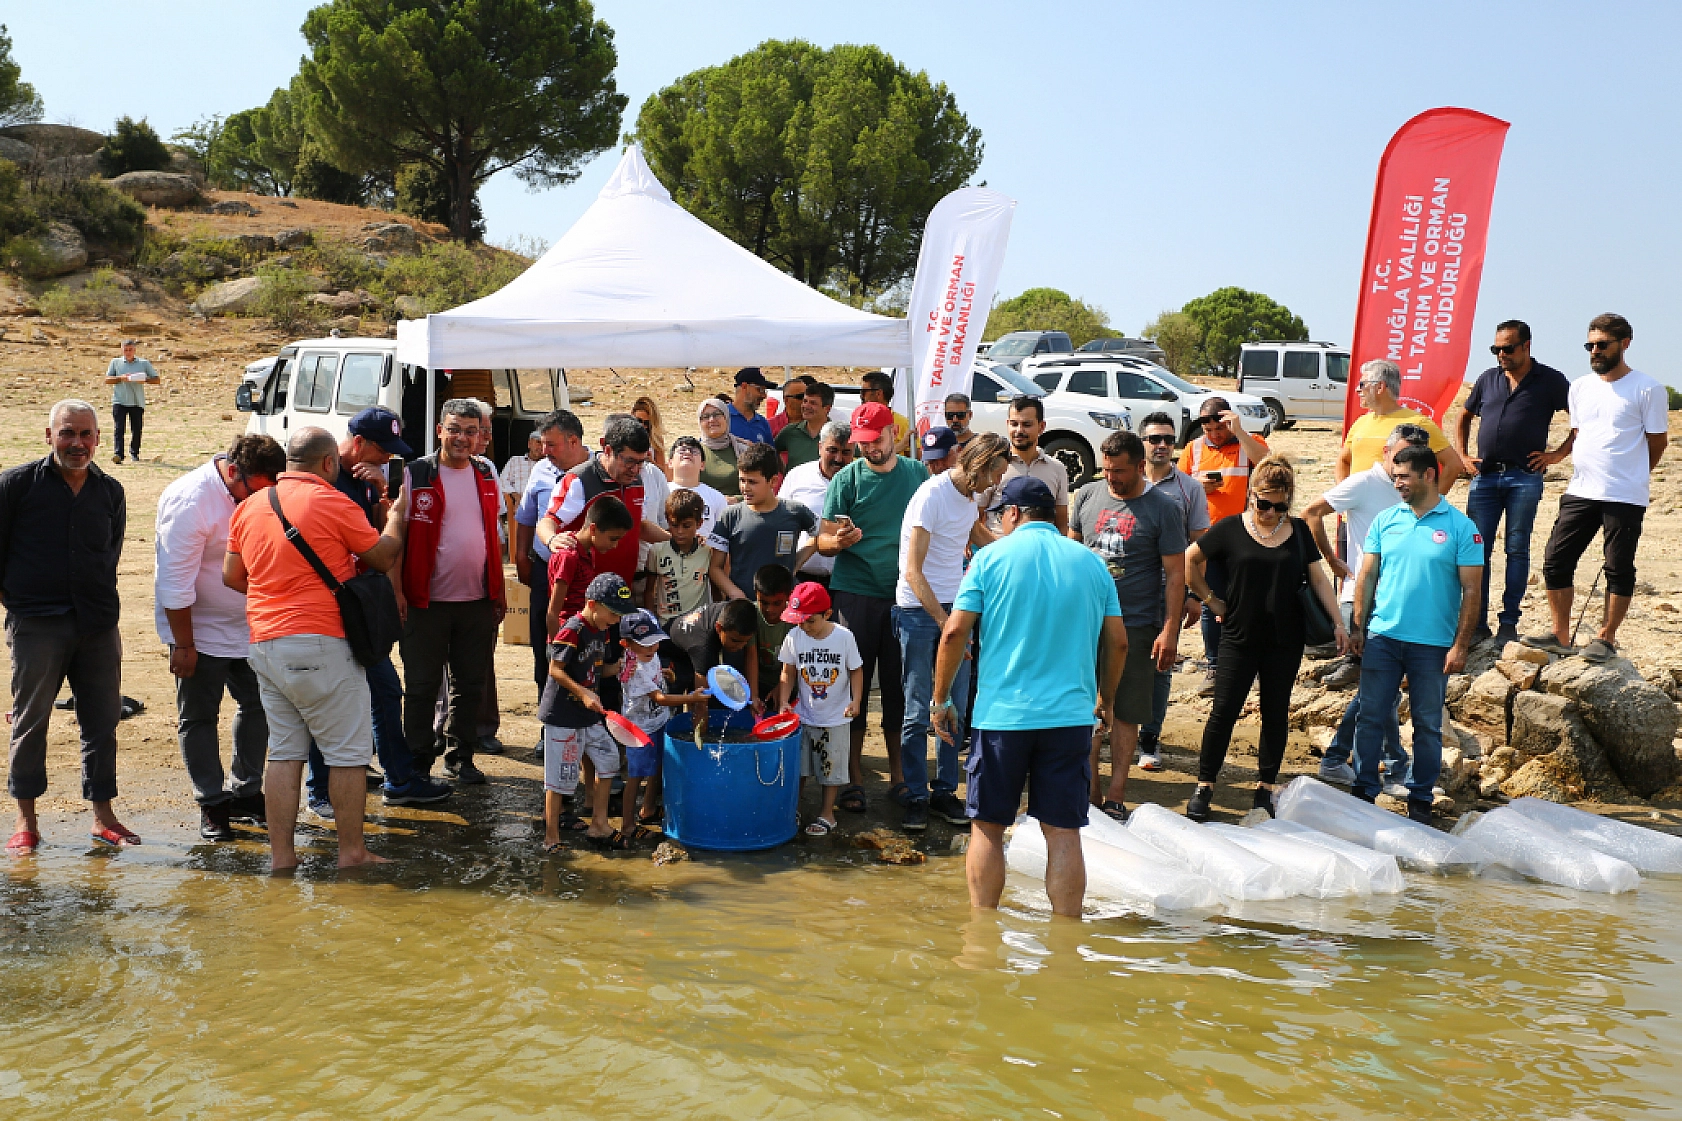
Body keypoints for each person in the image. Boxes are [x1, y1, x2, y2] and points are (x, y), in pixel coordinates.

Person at [931, 477, 1126, 918]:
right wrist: (1106, 700)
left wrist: (940, 699)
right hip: (1070, 717)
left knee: (988, 828)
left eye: (1000, 515)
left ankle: (981, 936)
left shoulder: (988, 559)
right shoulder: (1092, 564)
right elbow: (1118, 643)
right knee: (1063, 832)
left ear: (1013, 513)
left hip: (1002, 718)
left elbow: (955, 632)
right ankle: (1066, 940)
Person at [222, 426, 406, 871]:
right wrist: (396, 516)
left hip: (265, 642)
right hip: (322, 641)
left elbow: (232, 577)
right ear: (329, 463)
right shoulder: (332, 500)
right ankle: (352, 853)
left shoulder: (247, 508)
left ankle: (282, 858)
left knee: (285, 753)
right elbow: (381, 557)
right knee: (346, 755)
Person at [1, 401, 135, 855]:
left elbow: (109, 554)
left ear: (99, 438)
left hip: (97, 624)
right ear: (49, 435)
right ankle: (25, 820)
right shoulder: (15, 486)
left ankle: (103, 818)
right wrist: (20, 607)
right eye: (67, 433)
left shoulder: (110, 491)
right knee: (30, 720)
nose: (77, 443)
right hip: (37, 624)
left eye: (86, 434)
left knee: (102, 720)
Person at [1183, 456, 1345, 822]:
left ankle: (1264, 790)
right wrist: (1211, 600)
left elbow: (1318, 578)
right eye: (1264, 504)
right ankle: (1204, 786)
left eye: (1280, 506)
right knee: (1223, 711)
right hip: (1238, 636)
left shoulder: (1300, 531)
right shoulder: (1228, 529)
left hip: (1285, 639)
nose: (1271, 512)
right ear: (1251, 496)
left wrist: (1338, 622)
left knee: (1275, 713)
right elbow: (1190, 560)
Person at [315, 411, 453, 811]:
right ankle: (321, 788)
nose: (387, 459)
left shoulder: (367, 478)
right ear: (357, 445)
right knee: (332, 699)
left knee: (384, 692)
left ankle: (397, 777)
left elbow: (379, 541)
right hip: (329, 606)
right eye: (381, 450)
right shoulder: (324, 481)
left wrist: (383, 496)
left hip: (361, 602)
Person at [154, 434, 284, 841]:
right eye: (256, 491)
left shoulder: (258, 492)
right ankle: (212, 803)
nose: (262, 500)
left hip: (251, 624)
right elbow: (173, 582)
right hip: (198, 629)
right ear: (232, 473)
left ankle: (246, 792)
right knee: (198, 716)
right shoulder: (191, 500)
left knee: (259, 705)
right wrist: (184, 644)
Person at [1349, 445, 1484, 822]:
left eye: (1403, 476)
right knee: (1371, 715)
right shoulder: (1385, 520)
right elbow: (1367, 577)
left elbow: (1472, 591)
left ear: (1429, 475)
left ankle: (1420, 798)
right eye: (1394, 477)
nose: (1397, 484)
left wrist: (1461, 645)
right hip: (1383, 638)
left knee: (1426, 723)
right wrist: (1358, 627)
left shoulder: (1461, 528)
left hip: (1433, 645)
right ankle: (1363, 792)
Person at [1524, 314, 1668, 663]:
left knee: (1618, 567)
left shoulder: (1648, 388)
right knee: (1556, 559)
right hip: (1581, 490)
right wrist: (1559, 454)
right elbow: (1579, 432)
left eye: (1602, 344)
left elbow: (1658, 441)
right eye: (1590, 345)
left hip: (1624, 494)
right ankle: (1560, 634)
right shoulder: (1580, 387)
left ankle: (1606, 637)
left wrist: (1635, 473)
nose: (1594, 351)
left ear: (1625, 344)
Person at [1302, 424, 1431, 791]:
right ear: (1387, 452)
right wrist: (1332, 560)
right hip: (1363, 599)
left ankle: (1348, 758)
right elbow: (1312, 512)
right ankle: (1390, 765)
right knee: (1381, 687)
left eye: (1413, 456)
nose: (1404, 462)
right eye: (1400, 454)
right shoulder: (1365, 482)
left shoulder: (1410, 491)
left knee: (1380, 688)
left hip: (1398, 601)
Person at [817, 402, 930, 813]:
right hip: (855, 592)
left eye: (876, 440)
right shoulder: (846, 478)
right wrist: (840, 542)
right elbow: (823, 541)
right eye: (861, 443)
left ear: (894, 435)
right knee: (854, 690)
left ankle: (900, 777)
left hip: (904, 594)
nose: (869, 449)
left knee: (901, 690)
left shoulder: (917, 475)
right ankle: (853, 778)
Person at [1069, 430, 1188, 820]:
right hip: (1084, 622)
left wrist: (1170, 629)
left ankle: (1117, 792)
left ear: (1140, 466)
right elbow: (1070, 555)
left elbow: (1175, 574)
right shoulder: (1086, 495)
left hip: (1136, 622)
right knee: (1086, 706)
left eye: (1119, 471)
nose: (1111, 478)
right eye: (1106, 470)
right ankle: (1090, 789)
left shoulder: (1164, 509)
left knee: (1126, 711)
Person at [895, 432, 1007, 831]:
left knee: (955, 705)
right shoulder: (931, 495)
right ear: (979, 464)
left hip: (956, 609)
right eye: (993, 476)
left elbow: (974, 535)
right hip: (917, 609)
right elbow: (912, 570)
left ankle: (944, 792)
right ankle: (914, 794)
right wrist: (947, 626)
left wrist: (1011, 551)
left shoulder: (969, 497)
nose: (993, 486)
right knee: (918, 708)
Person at [395, 399, 507, 786]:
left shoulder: (486, 474)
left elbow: (492, 536)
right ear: (440, 430)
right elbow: (398, 537)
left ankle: (461, 756)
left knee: (470, 684)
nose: (462, 438)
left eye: (471, 431)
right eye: (455, 429)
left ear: (480, 436)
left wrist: (499, 590)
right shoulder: (417, 474)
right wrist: (398, 592)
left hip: (476, 601)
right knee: (422, 686)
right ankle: (419, 760)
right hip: (426, 603)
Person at [1454, 321, 1572, 645]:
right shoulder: (1488, 379)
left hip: (1525, 478)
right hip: (1485, 477)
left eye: (1507, 348)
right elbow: (1463, 417)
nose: (1501, 354)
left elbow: (1582, 418)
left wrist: (1557, 454)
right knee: (1477, 551)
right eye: (1496, 349)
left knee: (1517, 549)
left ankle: (1508, 624)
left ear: (1526, 346)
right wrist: (1463, 456)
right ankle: (1477, 624)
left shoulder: (1550, 380)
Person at [1177, 396, 1270, 696]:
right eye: (1209, 429)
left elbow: (1268, 465)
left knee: (1250, 604)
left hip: (1246, 537)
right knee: (1210, 602)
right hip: (1206, 539)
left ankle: (1251, 668)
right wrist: (1197, 487)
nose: (1215, 434)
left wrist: (1239, 431)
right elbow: (1176, 487)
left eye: (1221, 427)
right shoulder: (1194, 448)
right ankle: (1215, 667)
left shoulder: (1248, 441)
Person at [1133, 412, 1209, 767]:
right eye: (1154, 439)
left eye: (1168, 439)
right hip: (1124, 591)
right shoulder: (1125, 481)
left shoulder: (1189, 489)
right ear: (1141, 442)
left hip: (1169, 592)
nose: (1162, 445)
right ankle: (1112, 731)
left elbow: (1200, 546)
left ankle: (1150, 739)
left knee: (1160, 666)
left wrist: (1195, 596)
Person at [538, 573, 634, 851]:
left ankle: (599, 824)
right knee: (560, 777)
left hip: (589, 714)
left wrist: (620, 670)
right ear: (592, 604)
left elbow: (597, 668)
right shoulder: (573, 629)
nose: (616, 620)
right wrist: (583, 693)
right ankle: (551, 836)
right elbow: (555, 669)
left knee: (608, 759)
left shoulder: (601, 630)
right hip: (564, 715)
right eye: (614, 614)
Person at [777, 581, 864, 837]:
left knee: (830, 768)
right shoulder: (794, 636)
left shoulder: (844, 637)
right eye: (799, 621)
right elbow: (788, 672)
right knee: (800, 767)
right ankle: (794, 807)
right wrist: (784, 701)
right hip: (804, 715)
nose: (804, 626)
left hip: (836, 717)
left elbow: (856, 670)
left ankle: (828, 813)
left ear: (827, 614)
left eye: (810, 621)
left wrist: (856, 700)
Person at [537, 414, 664, 587]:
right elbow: (547, 521)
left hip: (621, 590)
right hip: (581, 596)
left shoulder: (636, 481)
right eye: (629, 461)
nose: (635, 470)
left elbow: (638, 526)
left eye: (641, 462)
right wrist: (552, 539)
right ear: (608, 450)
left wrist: (678, 539)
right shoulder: (579, 480)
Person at [514, 409, 589, 704]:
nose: (544, 451)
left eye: (551, 445)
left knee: (584, 646)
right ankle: (549, 718)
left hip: (584, 580)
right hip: (545, 572)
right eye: (542, 444)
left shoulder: (598, 470)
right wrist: (521, 557)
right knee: (544, 646)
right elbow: (526, 516)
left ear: (573, 441)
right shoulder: (542, 469)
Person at [615, 609, 701, 841]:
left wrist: (665, 674)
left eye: (655, 643)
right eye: (646, 644)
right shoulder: (636, 667)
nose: (652, 648)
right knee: (635, 775)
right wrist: (691, 699)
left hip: (658, 720)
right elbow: (660, 698)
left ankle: (649, 808)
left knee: (657, 765)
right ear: (627, 644)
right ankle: (627, 824)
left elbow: (657, 682)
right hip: (639, 728)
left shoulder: (650, 657)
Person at [708, 443, 817, 601]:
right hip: (744, 607)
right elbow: (715, 567)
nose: (745, 487)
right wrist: (734, 593)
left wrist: (797, 562)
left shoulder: (795, 511)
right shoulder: (730, 516)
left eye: (752, 482)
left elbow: (820, 535)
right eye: (742, 480)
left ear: (773, 481)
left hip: (784, 608)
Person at [1337, 359, 1464, 488]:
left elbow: (1453, 464)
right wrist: (1342, 498)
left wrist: (1431, 504)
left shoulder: (1418, 423)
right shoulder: (1360, 422)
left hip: (1397, 506)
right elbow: (1343, 461)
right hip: (1358, 507)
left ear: (1380, 387)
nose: (1357, 390)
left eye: (1362, 384)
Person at [778, 421, 854, 590]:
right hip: (802, 578)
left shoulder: (862, 481)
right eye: (832, 450)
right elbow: (780, 522)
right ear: (820, 447)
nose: (839, 459)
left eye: (846, 452)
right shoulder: (797, 476)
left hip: (845, 583)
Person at [545, 496, 634, 637]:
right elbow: (553, 612)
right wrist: (557, 648)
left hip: (585, 634)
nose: (615, 545)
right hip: (568, 637)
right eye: (613, 539)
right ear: (593, 529)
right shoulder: (569, 556)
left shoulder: (587, 550)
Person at [980, 396, 1071, 534]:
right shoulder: (992, 465)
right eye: (1014, 424)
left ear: (1041, 427)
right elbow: (977, 516)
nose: (1019, 430)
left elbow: (1061, 523)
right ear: (1007, 423)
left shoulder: (1057, 469)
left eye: (1027, 425)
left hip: (1041, 549)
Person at [668, 599, 759, 710]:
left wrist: (753, 697)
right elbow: (701, 701)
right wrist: (700, 721)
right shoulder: (703, 649)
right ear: (719, 627)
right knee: (678, 700)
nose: (741, 646)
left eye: (746, 641)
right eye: (735, 641)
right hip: (670, 654)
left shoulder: (736, 614)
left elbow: (751, 654)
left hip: (694, 643)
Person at [644, 489, 714, 624]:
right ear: (667, 520)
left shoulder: (708, 552)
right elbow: (649, 591)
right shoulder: (657, 551)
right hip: (666, 624)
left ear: (699, 523)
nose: (680, 532)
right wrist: (652, 621)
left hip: (698, 625)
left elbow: (716, 592)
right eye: (674, 525)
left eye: (686, 526)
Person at [103, 339, 159, 465]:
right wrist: (120, 378)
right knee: (119, 428)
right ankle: (118, 454)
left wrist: (144, 380)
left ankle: (134, 453)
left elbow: (156, 379)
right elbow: (107, 379)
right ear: (121, 349)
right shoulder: (115, 362)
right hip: (119, 400)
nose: (128, 352)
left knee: (137, 429)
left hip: (136, 401)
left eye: (130, 349)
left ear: (134, 350)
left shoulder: (143, 363)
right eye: (125, 349)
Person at [751, 564, 795, 706]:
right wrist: (754, 697)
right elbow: (750, 656)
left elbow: (798, 662)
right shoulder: (752, 614)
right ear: (756, 594)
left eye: (777, 603)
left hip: (792, 684)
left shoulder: (796, 620)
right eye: (763, 603)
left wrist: (782, 688)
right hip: (759, 683)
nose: (770, 609)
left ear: (789, 596)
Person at [668, 436, 728, 539]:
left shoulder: (717, 497)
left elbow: (723, 536)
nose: (687, 453)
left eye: (694, 451)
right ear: (670, 462)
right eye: (681, 450)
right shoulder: (661, 491)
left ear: (702, 465)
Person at [695, 399, 750, 498]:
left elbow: (758, 488)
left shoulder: (744, 451)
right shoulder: (693, 452)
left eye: (717, 414)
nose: (711, 420)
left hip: (737, 509)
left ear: (726, 417)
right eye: (705, 417)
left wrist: (737, 500)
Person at [774, 381, 834, 470]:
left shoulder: (837, 434)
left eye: (813, 403)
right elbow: (772, 452)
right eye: (805, 401)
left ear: (827, 408)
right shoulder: (789, 432)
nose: (806, 406)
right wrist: (784, 472)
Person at [501, 431, 542, 560]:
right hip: (519, 504)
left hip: (541, 505)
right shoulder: (515, 461)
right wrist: (516, 497)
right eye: (537, 443)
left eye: (543, 444)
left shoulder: (548, 464)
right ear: (529, 444)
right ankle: (518, 556)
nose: (540, 447)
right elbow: (502, 481)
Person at [859, 370, 912, 454]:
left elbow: (916, 458)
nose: (861, 396)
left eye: (864, 392)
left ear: (879, 394)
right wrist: (901, 445)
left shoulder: (904, 424)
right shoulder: (858, 421)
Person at [727, 367, 776, 445]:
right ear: (744, 387)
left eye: (765, 391)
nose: (764, 396)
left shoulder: (762, 423)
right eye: (760, 390)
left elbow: (770, 455)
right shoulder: (721, 417)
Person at [630, 396, 668, 473]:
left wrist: (651, 462)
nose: (642, 426)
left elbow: (663, 470)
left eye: (647, 423)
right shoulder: (625, 436)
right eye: (639, 421)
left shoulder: (656, 439)